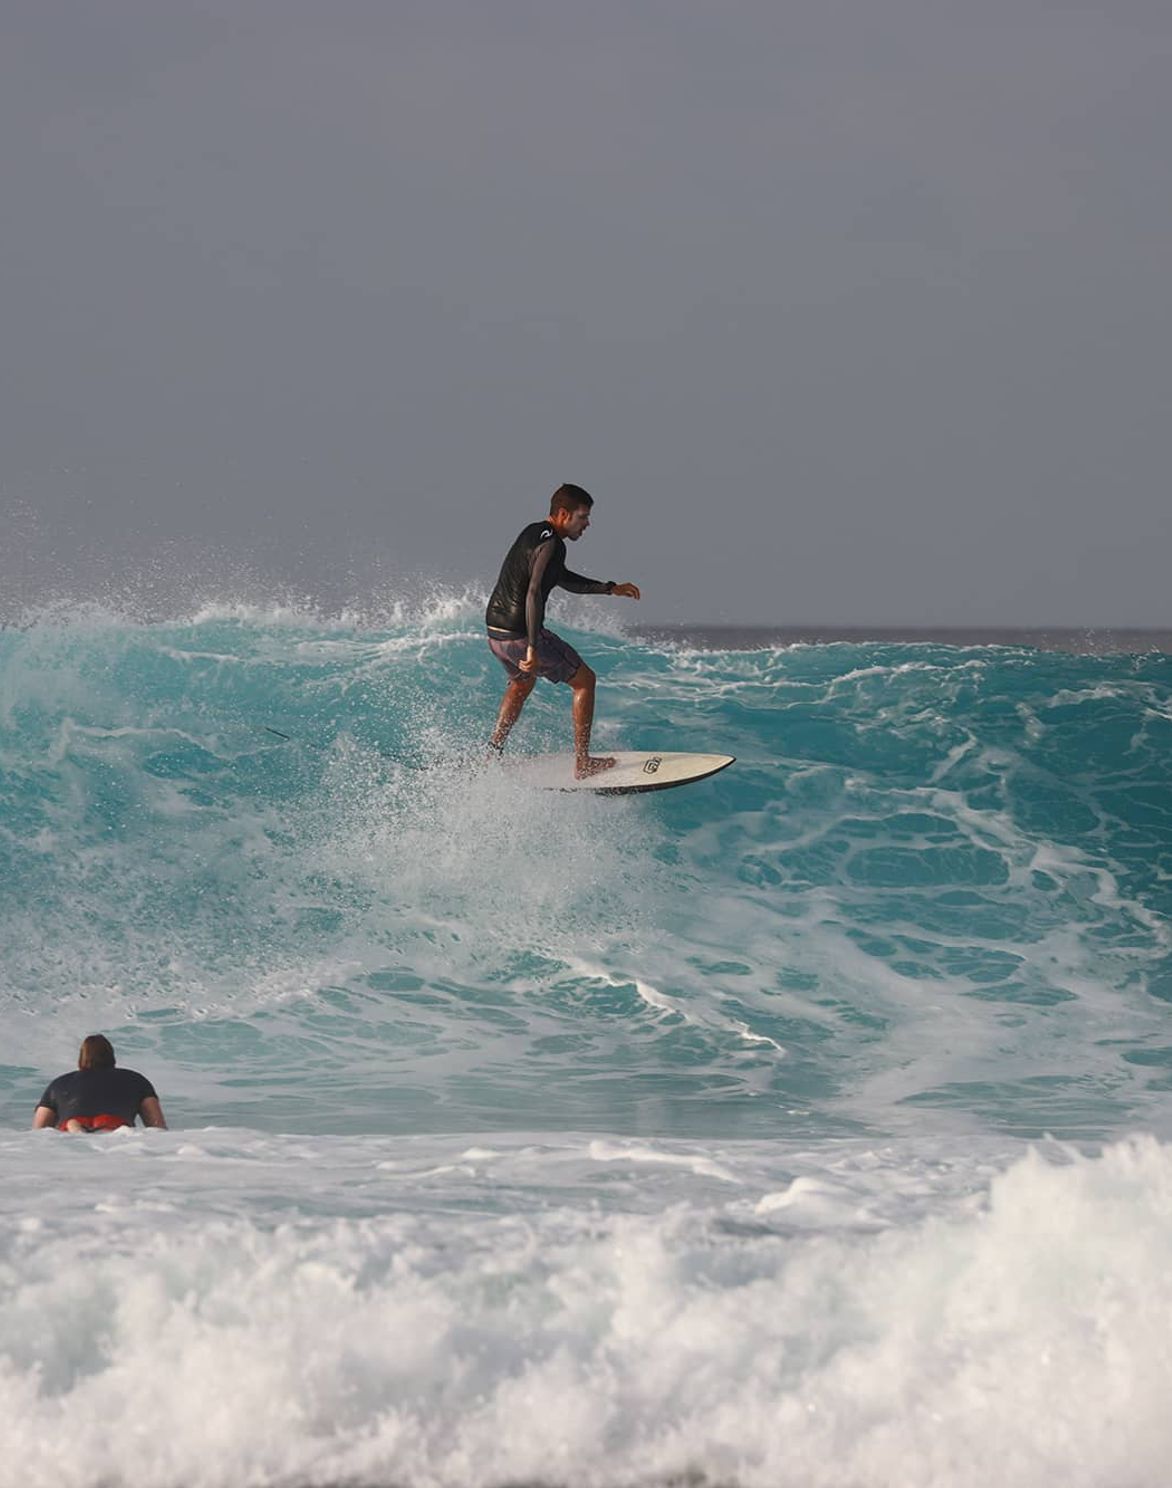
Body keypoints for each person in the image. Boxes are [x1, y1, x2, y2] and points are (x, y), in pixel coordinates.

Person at [486, 484, 641, 778]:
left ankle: (492, 753)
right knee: (585, 681)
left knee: (521, 684)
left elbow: (563, 579)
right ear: (563, 514)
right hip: (521, 635)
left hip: (496, 633)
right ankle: (583, 763)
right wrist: (532, 647)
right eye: (582, 517)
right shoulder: (553, 544)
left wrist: (610, 589)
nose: (587, 524)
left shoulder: (533, 532)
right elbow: (533, 592)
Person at [32, 1034, 168, 1132]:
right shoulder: (136, 1079)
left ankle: (75, 1127)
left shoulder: (58, 1083)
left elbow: (39, 1130)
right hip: (114, 1122)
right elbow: (157, 1126)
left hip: (71, 1123)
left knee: (72, 1126)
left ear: (81, 1057)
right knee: (110, 1130)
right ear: (112, 1056)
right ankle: (103, 1128)